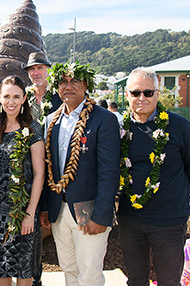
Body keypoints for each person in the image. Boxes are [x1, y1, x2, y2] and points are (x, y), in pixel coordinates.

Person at [118, 67, 190, 286]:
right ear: (127, 95)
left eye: (148, 92)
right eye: (136, 93)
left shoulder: (179, 126)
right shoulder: (119, 129)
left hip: (169, 222)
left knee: (169, 281)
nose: (142, 98)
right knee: (136, 280)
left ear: (157, 93)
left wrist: (173, 195)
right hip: (131, 219)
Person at [40, 62, 120, 286]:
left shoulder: (104, 119)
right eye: (63, 82)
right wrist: (46, 207)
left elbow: (109, 171)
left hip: (89, 210)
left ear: (86, 85)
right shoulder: (50, 121)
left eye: (74, 81)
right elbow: (50, 168)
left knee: (89, 274)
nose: (68, 86)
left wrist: (101, 215)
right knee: (69, 269)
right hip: (59, 209)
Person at [0, 75, 45, 286]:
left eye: (16, 97)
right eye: (7, 96)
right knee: (2, 267)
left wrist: (29, 214)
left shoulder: (32, 130)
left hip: (23, 212)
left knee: (23, 267)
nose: (11, 102)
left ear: (24, 98)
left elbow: (39, 174)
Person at [24, 52, 63, 124]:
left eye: (40, 68)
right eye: (32, 69)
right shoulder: (24, 97)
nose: (36, 73)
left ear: (48, 70)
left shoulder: (60, 95)